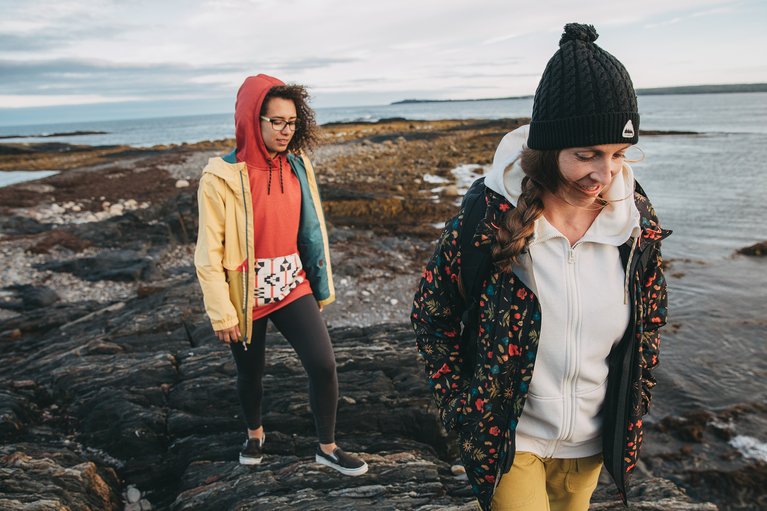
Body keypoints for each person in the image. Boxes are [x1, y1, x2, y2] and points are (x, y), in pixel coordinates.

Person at [411, 23, 669, 511]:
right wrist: (464, 410)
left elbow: (649, 326)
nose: (605, 173)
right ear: (550, 149)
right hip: (512, 443)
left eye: (618, 154)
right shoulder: (488, 218)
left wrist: (633, 409)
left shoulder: (636, 227)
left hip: (591, 447)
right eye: (587, 154)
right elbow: (431, 315)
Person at [195, 74, 367, 476]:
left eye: (291, 122)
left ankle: (327, 447)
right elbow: (208, 252)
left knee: (323, 364)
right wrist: (222, 312)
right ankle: (254, 434)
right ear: (252, 120)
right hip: (245, 293)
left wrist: (319, 280)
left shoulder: (298, 165)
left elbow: (311, 228)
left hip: (292, 283)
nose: (285, 130)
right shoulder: (220, 178)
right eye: (276, 121)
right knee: (250, 374)